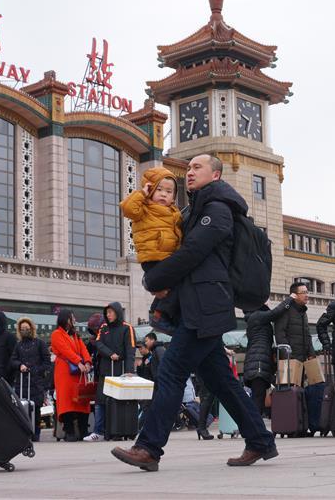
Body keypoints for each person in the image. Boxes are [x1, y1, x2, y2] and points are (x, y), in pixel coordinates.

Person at [111, 154, 277, 471]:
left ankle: (148, 448)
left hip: (208, 306)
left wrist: (155, 278)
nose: (189, 172)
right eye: (187, 168)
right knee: (221, 381)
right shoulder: (195, 209)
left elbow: (193, 252)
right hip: (199, 305)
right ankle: (260, 441)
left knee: (171, 371)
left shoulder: (217, 210)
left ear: (215, 175)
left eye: (197, 168)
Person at [120, 167, 183, 333]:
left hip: (167, 256)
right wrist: (142, 193)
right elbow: (127, 208)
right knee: (176, 284)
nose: (164, 194)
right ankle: (161, 316)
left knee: (172, 288)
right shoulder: (144, 208)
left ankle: (158, 313)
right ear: (150, 190)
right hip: (152, 257)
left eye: (169, 191)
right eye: (159, 189)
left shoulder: (174, 212)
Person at [85, 302, 136, 442]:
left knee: (118, 402)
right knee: (100, 401)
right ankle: (98, 431)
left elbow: (131, 350)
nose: (108, 315)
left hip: (120, 371)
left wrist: (130, 371)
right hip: (106, 370)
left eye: (111, 312)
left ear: (117, 312)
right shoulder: (103, 327)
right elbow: (98, 344)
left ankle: (118, 430)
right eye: (107, 313)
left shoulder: (128, 328)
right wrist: (110, 354)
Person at [51, 310, 94, 442]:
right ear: (66, 319)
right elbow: (65, 351)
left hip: (78, 372)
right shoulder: (56, 334)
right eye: (72, 317)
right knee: (66, 401)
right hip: (64, 372)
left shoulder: (75, 335)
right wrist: (79, 361)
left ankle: (83, 431)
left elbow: (84, 350)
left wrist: (87, 362)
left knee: (82, 400)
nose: (74, 319)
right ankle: (69, 431)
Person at [243, 304, 288, 417]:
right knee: (258, 398)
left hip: (257, 361)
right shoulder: (257, 316)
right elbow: (275, 313)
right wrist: (290, 299)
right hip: (258, 363)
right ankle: (256, 428)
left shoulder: (254, 318)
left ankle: (255, 427)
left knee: (258, 397)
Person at [10, 317, 50, 441]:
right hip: (22, 381)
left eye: (26, 328)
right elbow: (12, 360)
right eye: (22, 329)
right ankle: (24, 432)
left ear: (31, 329)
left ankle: (36, 432)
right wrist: (19, 365)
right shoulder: (18, 345)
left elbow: (47, 362)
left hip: (35, 381)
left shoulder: (40, 343)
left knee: (36, 408)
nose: (24, 331)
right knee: (22, 408)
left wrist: (36, 370)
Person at [273, 282, 315, 368]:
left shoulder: (303, 312)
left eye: (307, 292)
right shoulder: (285, 311)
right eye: (303, 293)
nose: (307, 295)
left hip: (304, 360)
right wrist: (288, 357)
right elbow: (280, 335)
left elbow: (307, 335)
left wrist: (311, 354)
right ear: (294, 295)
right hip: (290, 361)